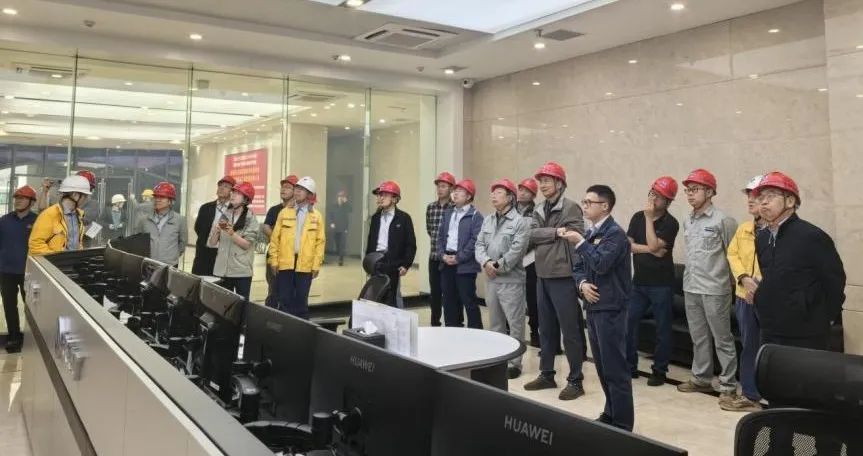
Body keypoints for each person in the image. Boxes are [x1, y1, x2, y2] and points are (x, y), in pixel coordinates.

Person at [565, 184, 634, 431]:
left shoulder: (615, 234)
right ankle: (610, 413)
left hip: (611, 308)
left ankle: (623, 424)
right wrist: (582, 284)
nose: (584, 207)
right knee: (603, 367)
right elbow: (578, 267)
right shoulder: (591, 232)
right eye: (583, 202)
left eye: (589, 202)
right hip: (594, 307)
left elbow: (602, 263)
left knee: (615, 368)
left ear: (604, 206)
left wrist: (579, 241)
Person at [753, 171, 845, 350]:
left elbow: (835, 281)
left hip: (806, 332)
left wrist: (826, 318)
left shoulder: (812, 236)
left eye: (771, 196)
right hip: (769, 328)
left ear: (790, 201)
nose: (763, 202)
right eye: (761, 197)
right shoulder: (762, 237)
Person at [523, 161, 587, 401]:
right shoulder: (539, 208)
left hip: (563, 276)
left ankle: (576, 380)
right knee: (546, 329)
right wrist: (555, 232)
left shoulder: (571, 207)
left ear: (560, 183)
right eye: (541, 181)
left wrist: (554, 234)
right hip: (542, 275)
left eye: (547, 180)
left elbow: (576, 236)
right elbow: (531, 234)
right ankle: (547, 374)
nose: (542, 185)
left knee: (570, 331)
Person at [677, 168, 739, 406]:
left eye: (695, 189)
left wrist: (734, 286)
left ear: (710, 192)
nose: (690, 194)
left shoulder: (723, 220)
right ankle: (701, 378)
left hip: (715, 289)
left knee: (722, 339)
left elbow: (734, 256)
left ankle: (728, 386)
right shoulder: (688, 219)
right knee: (699, 337)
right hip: (691, 286)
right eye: (688, 190)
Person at [625, 177, 680, 387]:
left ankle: (659, 370)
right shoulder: (636, 217)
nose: (653, 199)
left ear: (668, 202)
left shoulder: (671, 223)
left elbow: (656, 247)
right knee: (628, 322)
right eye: (652, 194)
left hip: (662, 284)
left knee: (662, 328)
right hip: (638, 282)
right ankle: (629, 366)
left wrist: (649, 220)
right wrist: (652, 248)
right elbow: (629, 246)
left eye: (659, 197)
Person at [475, 178, 530, 379]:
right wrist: (486, 262)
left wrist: (497, 266)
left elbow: (517, 250)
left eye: (498, 193)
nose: (493, 196)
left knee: (515, 324)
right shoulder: (488, 219)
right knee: (496, 323)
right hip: (491, 281)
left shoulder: (520, 222)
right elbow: (479, 245)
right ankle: (498, 359)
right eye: (493, 192)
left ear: (510, 197)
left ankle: (515, 363)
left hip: (511, 281)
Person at [722, 175, 766, 413]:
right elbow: (733, 254)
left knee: (770, 347)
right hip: (743, 296)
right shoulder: (743, 229)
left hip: (766, 298)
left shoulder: (777, 231)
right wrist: (744, 278)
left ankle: (775, 395)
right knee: (749, 345)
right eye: (749, 195)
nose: (750, 200)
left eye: (756, 195)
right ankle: (750, 394)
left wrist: (757, 283)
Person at [269, 177, 326, 318]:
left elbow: (320, 243)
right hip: (285, 263)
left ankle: (302, 328)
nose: (297, 192)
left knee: (301, 301)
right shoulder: (284, 213)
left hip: (305, 265)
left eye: (302, 190)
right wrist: (273, 261)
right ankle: (286, 328)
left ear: (310, 194)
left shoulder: (316, 216)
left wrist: (316, 265)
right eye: (297, 189)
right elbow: (275, 239)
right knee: (284, 299)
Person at [436, 179, 483, 329]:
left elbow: (475, 240)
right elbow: (440, 237)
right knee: (448, 300)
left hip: (465, 265)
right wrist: (442, 255)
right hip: (446, 261)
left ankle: (476, 334)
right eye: (455, 191)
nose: (455, 194)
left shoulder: (476, 216)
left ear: (468, 196)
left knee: (469, 301)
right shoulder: (448, 213)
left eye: (460, 191)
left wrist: (459, 257)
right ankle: (452, 331)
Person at [366, 181, 417, 308]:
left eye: (384, 195)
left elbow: (410, 244)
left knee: (392, 297)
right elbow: (371, 241)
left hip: (393, 263)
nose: (380, 198)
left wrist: (406, 264)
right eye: (379, 195)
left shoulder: (404, 218)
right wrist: (368, 262)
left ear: (394, 199)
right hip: (376, 261)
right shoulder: (375, 218)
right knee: (376, 296)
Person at [0, 186, 38, 353]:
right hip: (5, 271)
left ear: (31, 202)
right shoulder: (4, 220)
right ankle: (14, 338)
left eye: (22, 198)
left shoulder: (37, 221)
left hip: (28, 272)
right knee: (9, 306)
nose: (18, 201)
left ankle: (33, 341)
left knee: (31, 308)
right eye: (16, 198)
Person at [208, 182, 259, 300]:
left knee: (242, 305)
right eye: (233, 192)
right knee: (224, 304)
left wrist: (231, 233)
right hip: (222, 269)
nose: (233, 195)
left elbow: (246, 245)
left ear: (246, 199)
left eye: (238, 193)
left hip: (241, 271)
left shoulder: (250, 218)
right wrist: (216, 232)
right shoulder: (226, 214)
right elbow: (212, 243)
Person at [29, 174, 90, 255]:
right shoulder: (49, 215)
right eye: (85, 196)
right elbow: (35, 245)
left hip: (73, 261)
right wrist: (57, 258)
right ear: (75, 195)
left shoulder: (78, 215)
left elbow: (76, 243)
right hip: (54, 262)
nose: (86, 199)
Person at [262, 175, 297, 308]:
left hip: (292, 257)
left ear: (295, 191)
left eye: (288, 187)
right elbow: (266, 227)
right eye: (282, 187)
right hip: (275, 254)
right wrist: (278, 240)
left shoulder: (299, 211)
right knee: (273, 290)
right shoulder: (274, 210)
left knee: (290, 292)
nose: (283, 189)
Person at [425, 171, 456, 326]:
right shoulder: (431, 208)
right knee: (435, 293)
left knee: (450, 293)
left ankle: (452, 324)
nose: (440, 189)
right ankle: (434, 323)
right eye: (438, 186)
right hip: (434, 257)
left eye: (443, 186)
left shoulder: (455, 208)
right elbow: (430, 230)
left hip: (449, 258)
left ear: (451, 189)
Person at [134, 182, 187, 267]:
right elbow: (138, 241)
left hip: (170, 266)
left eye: (162, 197)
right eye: (156, 197)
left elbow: (182, 243)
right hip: (148, 264)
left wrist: (172, 257)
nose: (157, 200)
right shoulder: (144, 220)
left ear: (170, 201)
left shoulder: (179, 220)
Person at [192, 175, 235, 276]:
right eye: (220, 185)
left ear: (232, 191)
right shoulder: (205, 208)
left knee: (220, 283)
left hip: (224, 254)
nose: (221, 188)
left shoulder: (235, 209)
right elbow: (198, 228)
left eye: (226, 186)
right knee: (200, 281)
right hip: (204, 253)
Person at [517, 177, 541, 347]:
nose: (522, 193)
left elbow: (534, 236)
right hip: (511, 261)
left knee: (533, 300)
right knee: (513, 298)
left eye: (527, 191)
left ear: (533, 195)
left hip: (530, 260)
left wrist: (519, 251)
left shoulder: (537, 212)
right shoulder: (510, 210)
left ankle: (535, 333)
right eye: (521, 189)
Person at [328, 190, 352, 266]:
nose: (341, 198)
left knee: (342, 244)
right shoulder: (333, 206)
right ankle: (339, 254)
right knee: (337, 244)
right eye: (340, 196)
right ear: (337, 197)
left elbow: (351, 210)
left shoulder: (346, 206)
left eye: (342, 197)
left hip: (343, 228)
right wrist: (331, 223)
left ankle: (341, 259)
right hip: (335, 227)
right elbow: (330, 215)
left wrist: (346, 202)